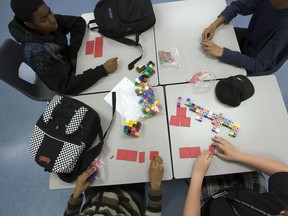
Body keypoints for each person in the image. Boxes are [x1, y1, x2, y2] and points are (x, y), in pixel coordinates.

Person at [9, 0, 118, 94]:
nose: (52, 20)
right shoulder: (37, 55)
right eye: (44, 19)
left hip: (73, 65)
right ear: (30, 25)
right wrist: (101, 70)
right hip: (68, 82)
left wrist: (73, 54)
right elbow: (65, 86)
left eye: (50, 12)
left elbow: (78, 22)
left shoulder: (47, 21)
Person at [183, 136, 288, 216]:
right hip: (249, 192)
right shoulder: (281, 205)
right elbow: (284, 171)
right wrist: (238, 155)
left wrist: (198, 174)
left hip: (212, 203)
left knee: (192, 166)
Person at [200, 0, 288, 75]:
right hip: (249, 40)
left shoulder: (284, 30)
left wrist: (222, 53)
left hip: (253, 63)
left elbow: (259, 65)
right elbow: (237, 6)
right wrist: (214, 25)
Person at [64, 156, 164, 216]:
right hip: (130, 194)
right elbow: (153, 213)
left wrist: (77, 192)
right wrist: (155, 185)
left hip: (95, 194)